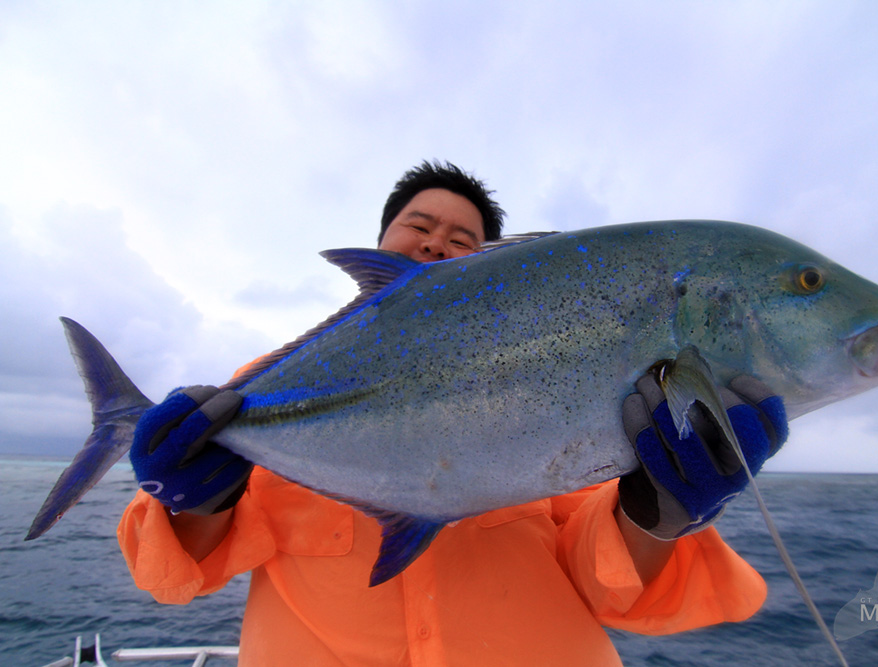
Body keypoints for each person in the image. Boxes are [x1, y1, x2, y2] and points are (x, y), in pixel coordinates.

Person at [118, 161, 787, 666]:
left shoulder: (558, 385)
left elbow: (612, 587)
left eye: (463, 238)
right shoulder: (264, 387)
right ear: (379, 245)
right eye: (419, 225)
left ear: (496, 268)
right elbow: (181, 573)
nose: (438, 241)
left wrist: (657, 513)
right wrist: (190, 502)